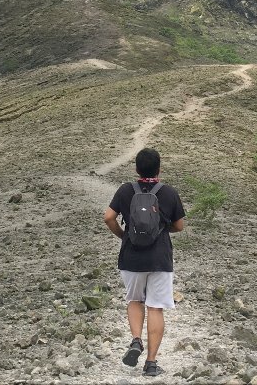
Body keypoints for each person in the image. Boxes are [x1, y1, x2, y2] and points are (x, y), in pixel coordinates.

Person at [103, 147, 185, 377]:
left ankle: (136, 340)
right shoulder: (168, 193)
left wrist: (123, 235)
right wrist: (160, 229)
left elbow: (108, 217)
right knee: (155, 307)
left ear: (136, 169)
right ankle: (151, 363)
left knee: (135, 300)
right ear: (159, 169)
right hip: (159, 258)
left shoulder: (125, 190)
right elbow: (179, 226)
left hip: (131, 257)